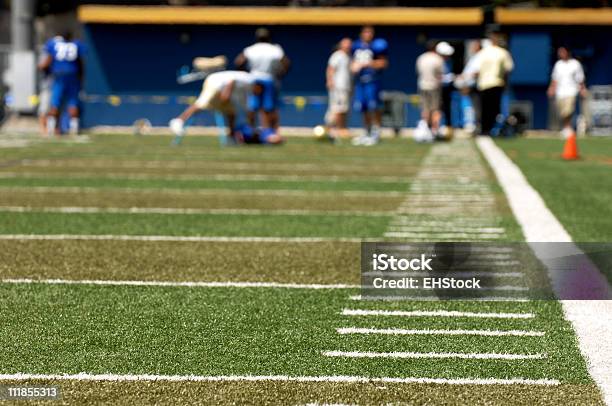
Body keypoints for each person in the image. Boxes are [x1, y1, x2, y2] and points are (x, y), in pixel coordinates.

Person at [169, 70, 283, 145]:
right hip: (215, 82)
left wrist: (251, 125)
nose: (258, 94)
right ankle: (178, 120)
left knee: (231, 112)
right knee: (202, 103)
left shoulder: (248, 90)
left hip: (223, 90)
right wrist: (226, 94)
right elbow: (232, 81)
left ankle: (231, 137)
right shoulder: (249, 80)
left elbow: (247, 108)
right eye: (259, 91)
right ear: (258, 86)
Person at [234, 28, 290, 131]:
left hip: (253, 79)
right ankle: (269, 131)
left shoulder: (250, 49)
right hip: (269, 79)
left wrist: (245, 73)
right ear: (269, 38)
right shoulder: (275, 49)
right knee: (269, 107)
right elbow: (286, 62)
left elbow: (239, 62)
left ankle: (251, 130)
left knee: (252, 106)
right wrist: (280, 74)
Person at [38, 32, 85, 137]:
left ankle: (51, 129)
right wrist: (81, 77)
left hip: (59, 76)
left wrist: (42, 68)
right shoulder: (76, 45)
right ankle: (74, 129)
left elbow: (47, 62)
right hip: (72, 76)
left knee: (55, 103)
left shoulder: (54, 45)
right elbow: (80, 63)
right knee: (73, 102)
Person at [351, 25, 388, 146]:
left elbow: (383, 63)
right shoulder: (356, 46)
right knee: (363, 108)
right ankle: (367, 131)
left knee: (374, 106)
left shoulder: (377, 46)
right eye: (366, 32)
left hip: (372, 81)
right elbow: (353, 62)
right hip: (360, 82)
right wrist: (353, 66)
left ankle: (376, 132)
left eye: (370, 32)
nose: (368, 35)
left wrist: (366, 64)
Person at [476, 31, 514, 135]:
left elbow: (476, 70)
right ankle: (493, 129)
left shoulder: (483, 52)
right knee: (494, 109)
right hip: (496, 83)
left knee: (485, 108)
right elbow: (508, 69)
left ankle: (485, 130)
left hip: (484, 84)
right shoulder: (503, 52)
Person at [547, 46, 586, 138]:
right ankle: (566, 128)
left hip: (571, 91)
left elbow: (580, 78)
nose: (560, 54)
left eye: (562, 52)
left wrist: (582, 89)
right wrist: (551, 88)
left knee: (568, 111)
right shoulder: (558, 64)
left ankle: (568, 127)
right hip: (560, 92)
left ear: (567, 52)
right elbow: (555, 79)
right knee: (562, 112)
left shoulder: (575, 64)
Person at [415, 40, 444, 139]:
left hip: (422, 86)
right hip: (434, 86)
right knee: (435, 109)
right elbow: (440, 75)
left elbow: (418, 72)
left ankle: (425, 130)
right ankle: (434, 131)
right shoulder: (438, 59)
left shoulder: (421, 58)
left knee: (425, 109)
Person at [325, 38, 352, 139]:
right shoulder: (337, 55)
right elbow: (330, 68)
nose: (348, 46)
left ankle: (342, 128)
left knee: (344, 108)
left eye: (349, 44)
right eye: (346, 44)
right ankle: (336, 129)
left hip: (346, 87)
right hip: (338, 86)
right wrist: (330, 81)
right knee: (338, 108)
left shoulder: (348, 56)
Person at [435, 41, 455, 133]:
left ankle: (447, 127)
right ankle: (436, 128)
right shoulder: (436, 61)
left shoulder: (449, 61)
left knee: (447, 108)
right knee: (437, 108)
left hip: (446, 89)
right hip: (437, 89)